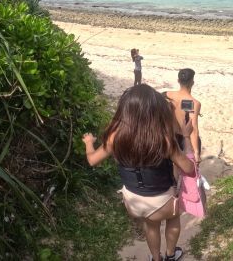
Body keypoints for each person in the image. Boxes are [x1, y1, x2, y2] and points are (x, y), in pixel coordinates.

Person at [83, 84, 193, 261]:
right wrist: (186, 136)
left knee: (151, 225)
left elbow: (92, 160)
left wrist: (89, 142)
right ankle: (171, 255)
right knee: (174, 218)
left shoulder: (115, 135)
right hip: (162, 202)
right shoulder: (162, 138)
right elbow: (188, 168)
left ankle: (155, 258)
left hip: (134, 202)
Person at [165, 68, 202, 164]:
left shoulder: (166, 95)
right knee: (187, 173)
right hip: (185, 140)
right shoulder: (193, 103)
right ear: (192, 82)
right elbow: (193, 129)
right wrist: (196, 152)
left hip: (170, 137)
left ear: (178, 81)